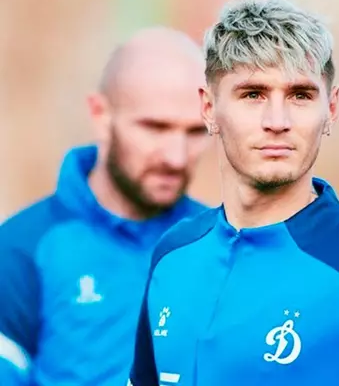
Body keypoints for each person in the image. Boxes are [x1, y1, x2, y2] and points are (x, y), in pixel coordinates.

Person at [129, 0, 339, 386]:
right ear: (209, 108)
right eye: (253, 94)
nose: (277, 121)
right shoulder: (172, 257)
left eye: (300, 95)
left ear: (331, 108)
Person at [0, 27, 212, 385]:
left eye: (196, 132)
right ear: (100, 115)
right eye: (155, 127)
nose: (176, 157)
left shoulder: (222, 242)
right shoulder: (21, 250)